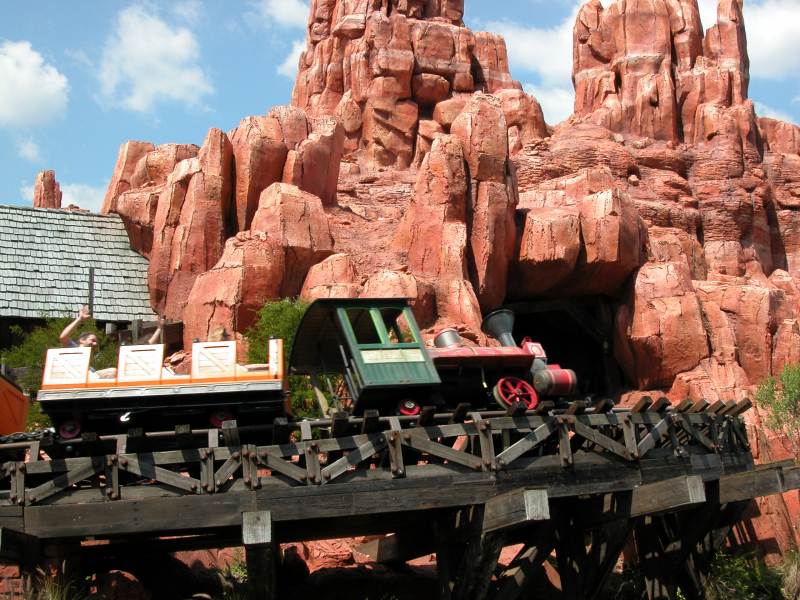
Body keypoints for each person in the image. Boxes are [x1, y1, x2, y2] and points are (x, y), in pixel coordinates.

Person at [60, 306, 164, 349]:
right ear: (82, 340)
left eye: (95, 342)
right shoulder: (74, 349)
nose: (95, 344)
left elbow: (145, 348)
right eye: (92, 340)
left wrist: (159, 328)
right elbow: (63, 337)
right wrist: (79, 319)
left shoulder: (90, 368)